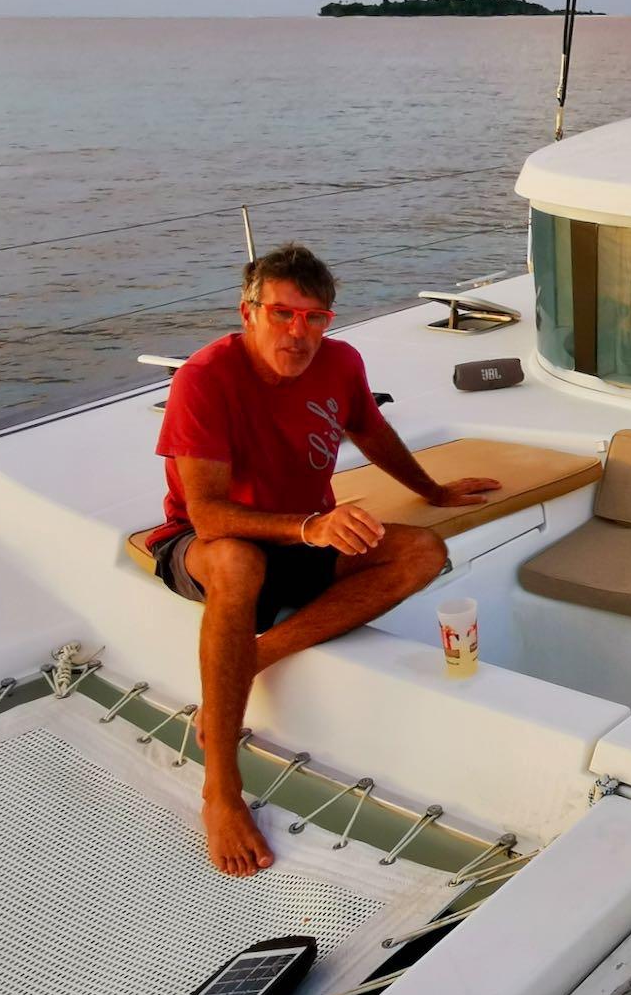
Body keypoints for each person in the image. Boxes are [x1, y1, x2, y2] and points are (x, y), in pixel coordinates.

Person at [145, 243, 501, 877]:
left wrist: (433, 491)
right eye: (282, 314)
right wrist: (311, 526)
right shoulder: (205, 379)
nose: (298, 332)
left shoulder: (340, 363)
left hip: (303, 538)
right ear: (249, 312)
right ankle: (220, 789)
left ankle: (253, 658)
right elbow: (209, 516)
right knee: (237, 563)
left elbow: (370, 430)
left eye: (315, 318)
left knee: (421, 552)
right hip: (207, 544)